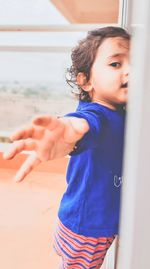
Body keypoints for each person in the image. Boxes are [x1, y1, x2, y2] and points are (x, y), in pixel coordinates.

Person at [3, 26, 130, 269]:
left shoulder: (122, 112)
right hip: (87, 226)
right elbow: (80, 126)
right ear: (86, 81)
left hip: (82, 216)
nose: (130, 71)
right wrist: (69, 131)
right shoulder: (96, 114)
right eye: (116, 64)